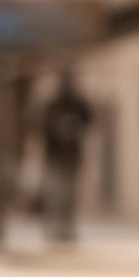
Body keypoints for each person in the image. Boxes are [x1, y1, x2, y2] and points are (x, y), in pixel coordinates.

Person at [39, 71, 93, 244]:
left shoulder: (78, 103)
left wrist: (75, 128)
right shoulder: (52, 104)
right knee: (56, 194)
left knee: (69, 195)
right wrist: (58, 128)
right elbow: (42, 127)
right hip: (55, 157)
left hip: (71, 157)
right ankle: (55, 226)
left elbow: (90, 120)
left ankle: (66, 227)